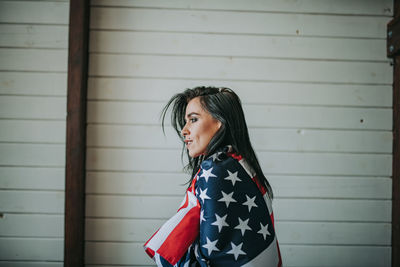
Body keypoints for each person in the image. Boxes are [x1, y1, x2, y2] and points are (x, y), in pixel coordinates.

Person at [144, 86, 282, 267]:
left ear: (219, 122)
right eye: (185, 122)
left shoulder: (217, 170)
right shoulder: (239, 163)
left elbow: (211, 254)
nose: (184, 130)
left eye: (193, 119)